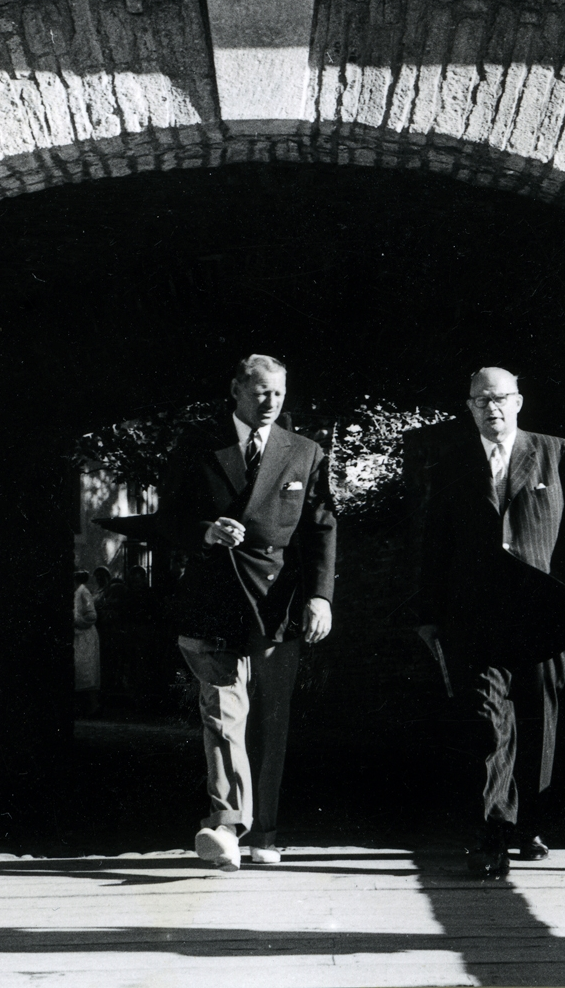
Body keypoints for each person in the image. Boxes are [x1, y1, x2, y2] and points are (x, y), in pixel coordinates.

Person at [410, 366, 565, 879]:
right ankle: (493, 834)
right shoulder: (452, 462)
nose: (492, 408)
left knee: (539, 716)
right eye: (481, 400)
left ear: (518, 402)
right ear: (469, 407)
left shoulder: (554, 451)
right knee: (487, 719)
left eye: (500, 398)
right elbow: (434, 542)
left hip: (544, 610)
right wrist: (429, 614)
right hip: (476, 615)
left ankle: (532, 824)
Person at [157, 354, 337, 870]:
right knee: (222, 712)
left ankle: (265, 830)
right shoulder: (197, 445)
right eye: (260, 392)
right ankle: (227, 824)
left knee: (271, 718)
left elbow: (321, 527)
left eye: (278, 393)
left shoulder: (304, 451)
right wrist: (205, 532)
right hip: (214, 598)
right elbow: (167, 520)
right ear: (236, 389)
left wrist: (320, 596)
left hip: (277, 601)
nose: (270, 402)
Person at [73, 570, 101, 717]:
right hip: (78, 636)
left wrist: (77, 621)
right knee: (79, 671)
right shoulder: (76, 592)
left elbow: (92, 615)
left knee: (86, 670)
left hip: (85, 637)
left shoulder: (83, 592)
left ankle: (93, 706)